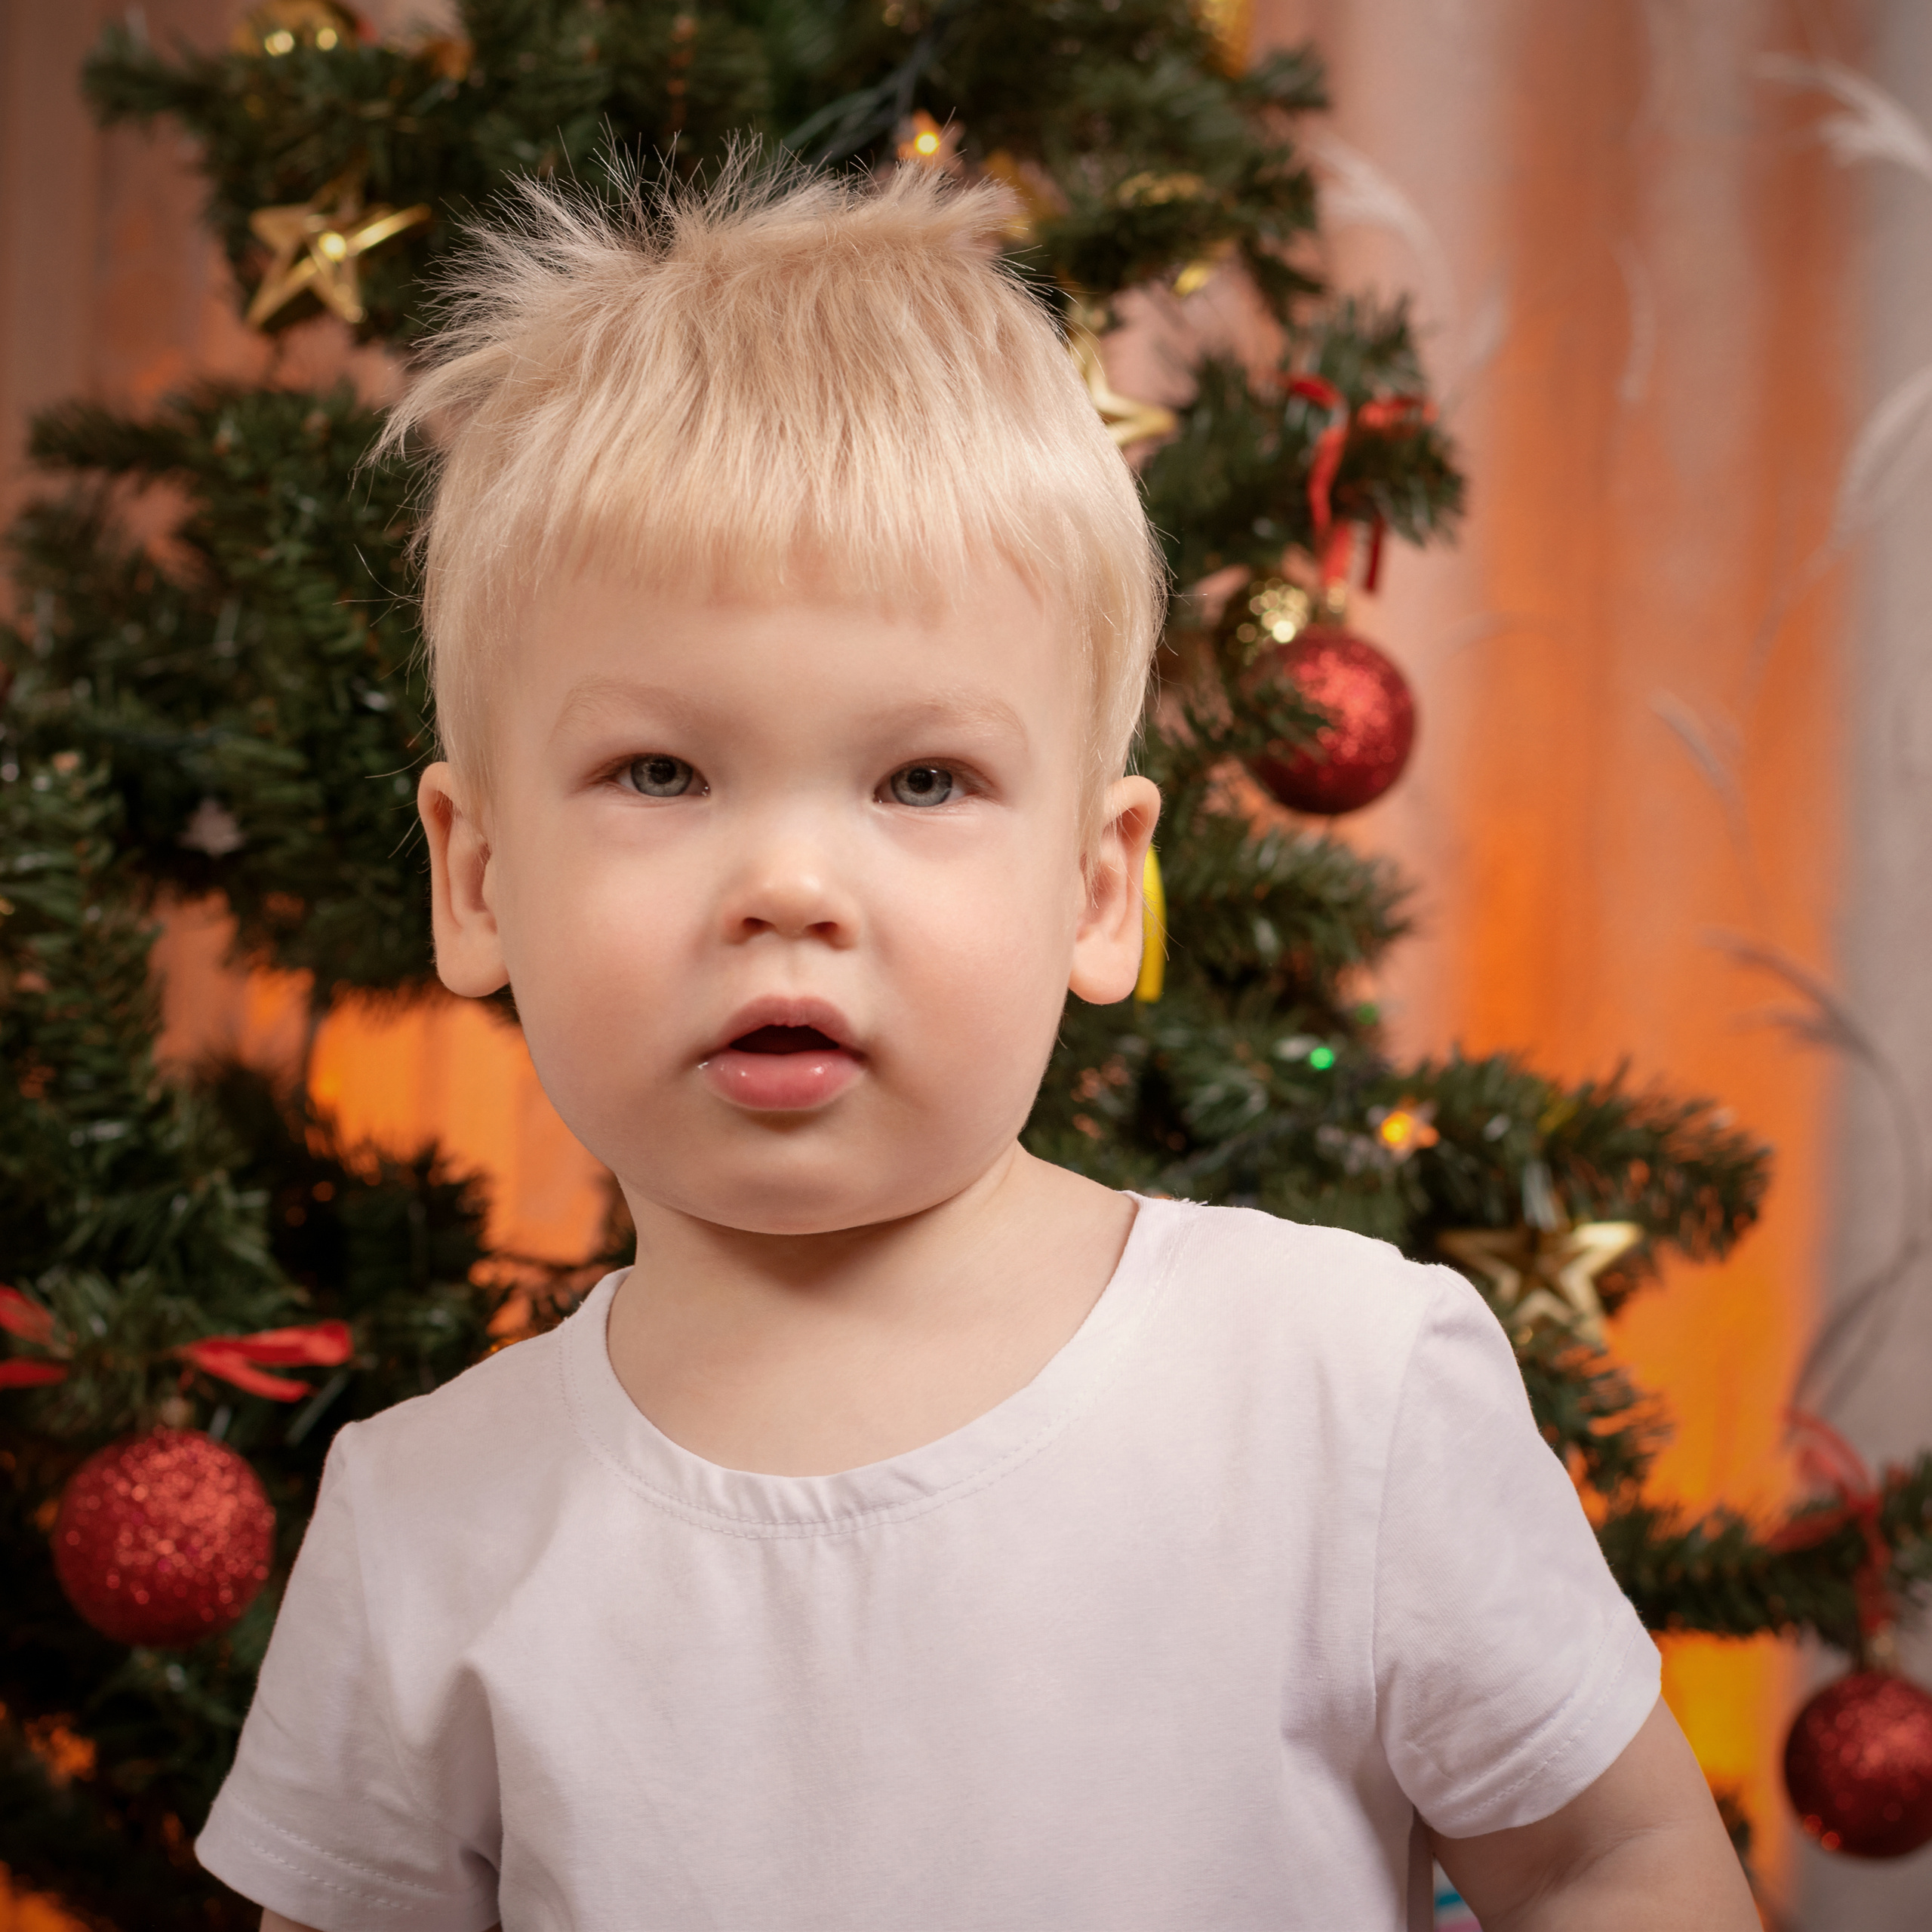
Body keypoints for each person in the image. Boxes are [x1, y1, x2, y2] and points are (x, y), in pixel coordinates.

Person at [196, 160, 1758, 1932]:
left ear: (1098, 887)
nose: (786, 882)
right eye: (660, 772)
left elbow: (1614, 1859)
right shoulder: (423, 1523)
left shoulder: (1339, 1385)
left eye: (920, 778)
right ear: (476, 877)